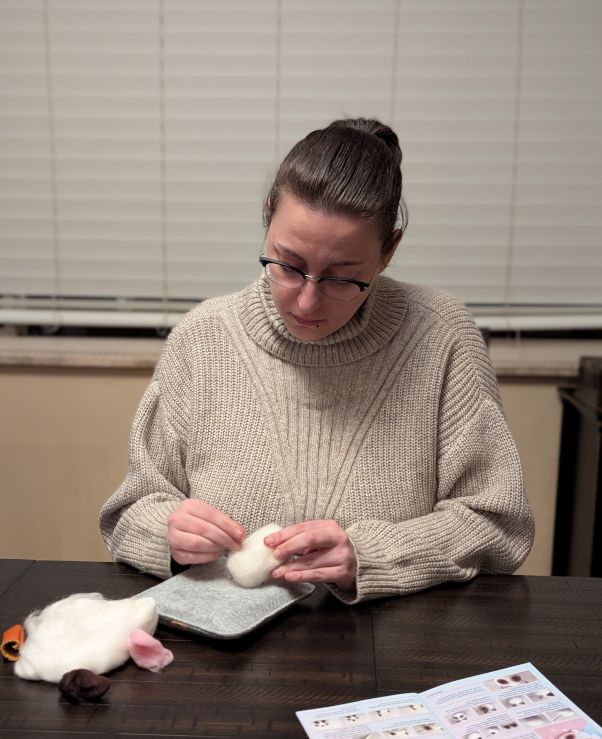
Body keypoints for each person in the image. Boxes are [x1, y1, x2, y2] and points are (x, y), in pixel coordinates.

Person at [100, 118, 534, 603]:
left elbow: (498, 525)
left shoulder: (442, 336)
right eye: (288, 265)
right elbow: (130, 512)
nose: (306, 303)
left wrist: (370, 557)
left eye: (341, 278)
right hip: (225, 655)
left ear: (388, 251)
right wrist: (169, 534)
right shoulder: (203, 337)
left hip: (387, 645)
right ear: (268, 217)